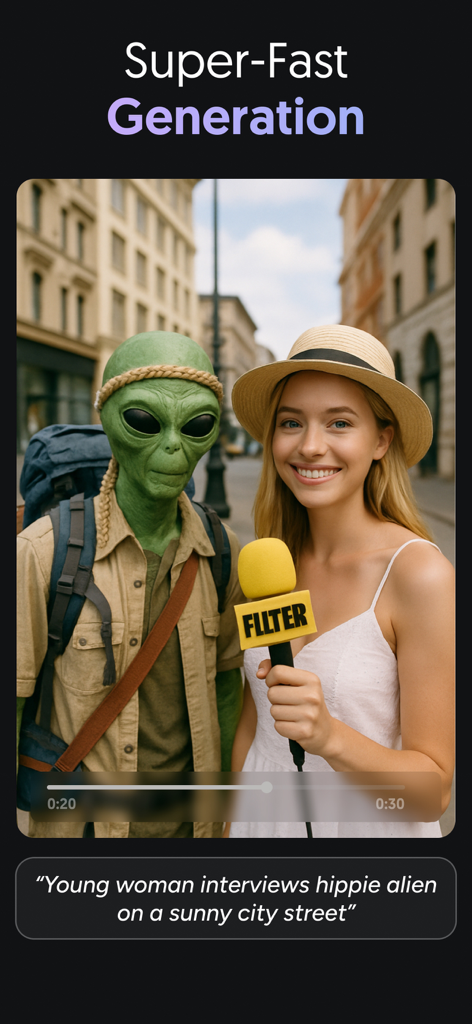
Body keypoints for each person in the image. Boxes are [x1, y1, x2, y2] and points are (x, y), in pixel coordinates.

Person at [226, 324, 454, 838]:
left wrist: (329, 735)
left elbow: (433, 793)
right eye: (291, 422)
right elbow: (253, 721)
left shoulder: (419, 575)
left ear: (381, 440)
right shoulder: (271, 560)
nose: (310, 446)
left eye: (339, 423)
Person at [17, 331, 244, 838]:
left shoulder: (222, 550)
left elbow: (228, 685)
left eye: (197, 425)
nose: (172, 446)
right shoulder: (43, 552)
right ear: (107, 420)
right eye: (143, 421)